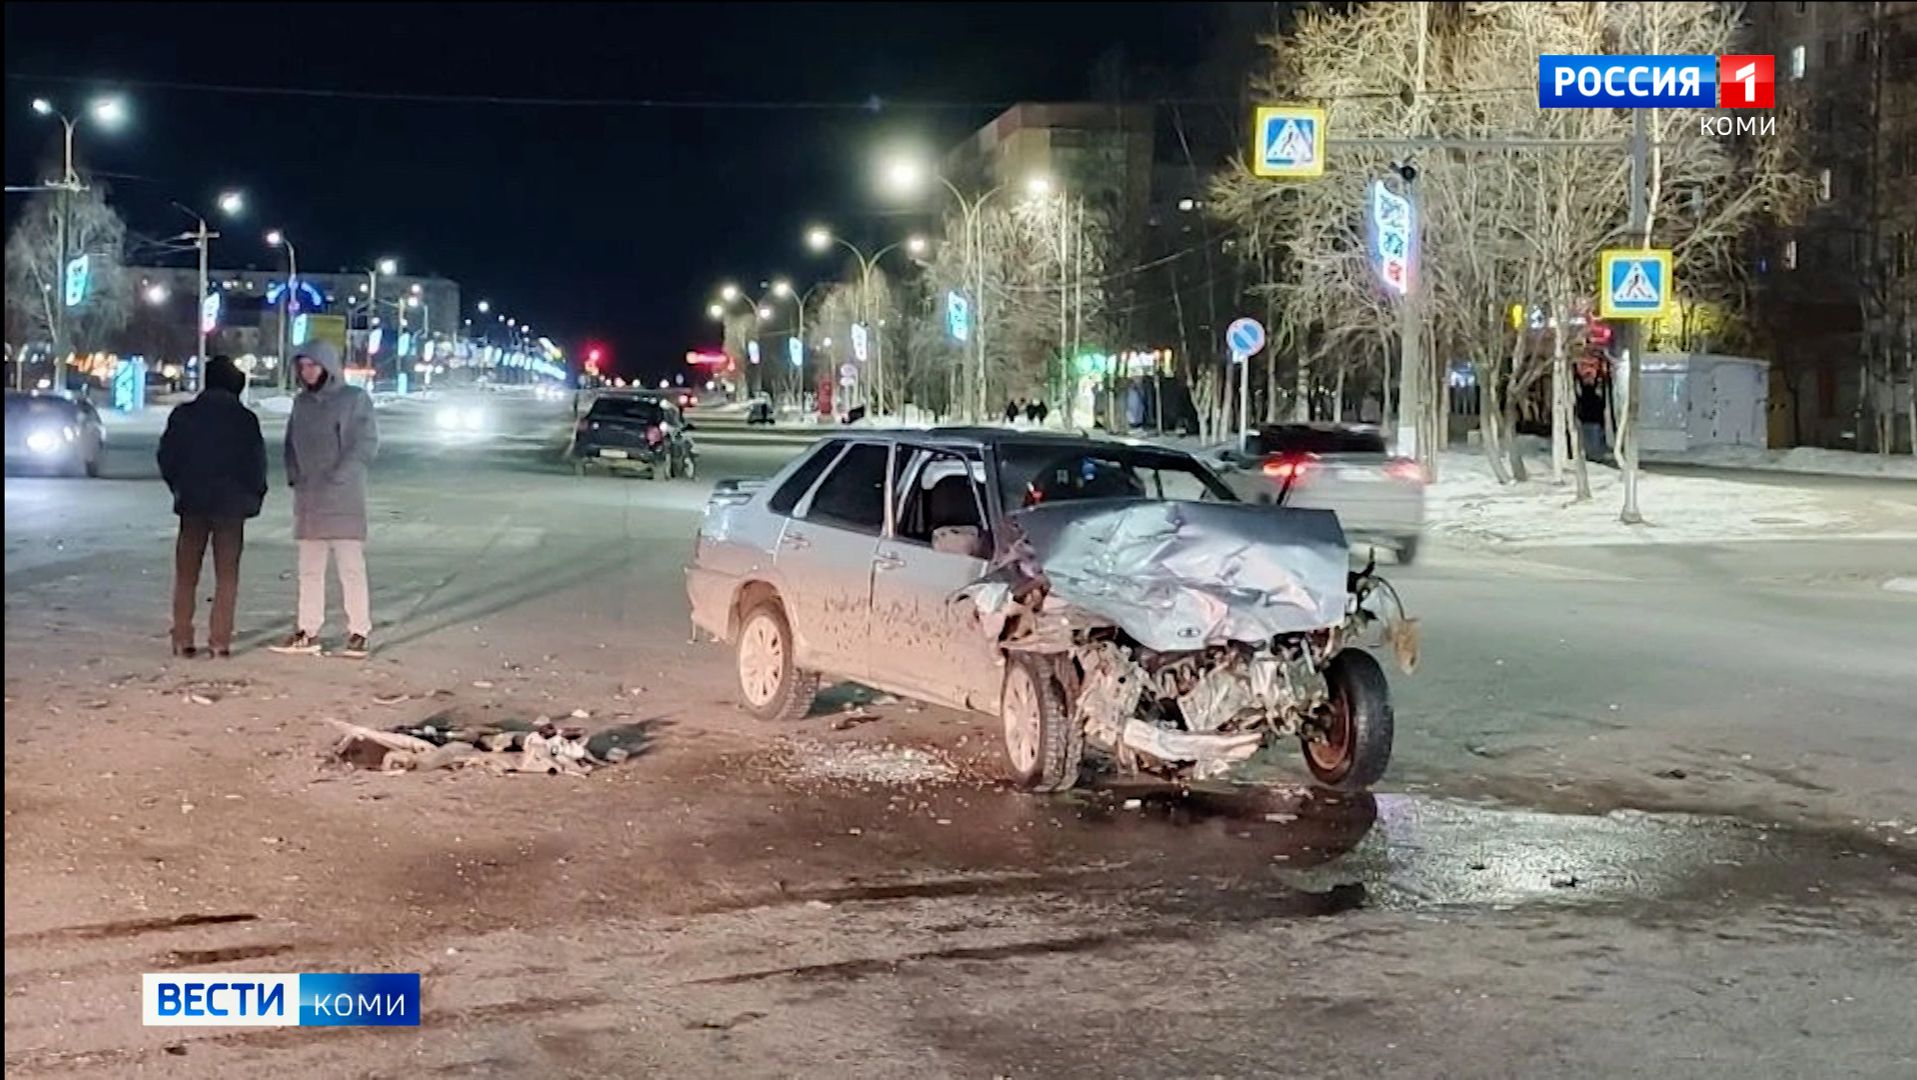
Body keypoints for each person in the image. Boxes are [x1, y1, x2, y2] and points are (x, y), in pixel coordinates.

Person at [272, 341, 380, 658]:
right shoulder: (302, 403)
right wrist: (295, 475)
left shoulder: (354, 400)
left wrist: (339, 475)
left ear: (328, 366)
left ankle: (359, 630)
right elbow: (291, 443)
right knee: (309, 570)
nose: (307, 372)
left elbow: (364, 444)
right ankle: (308, 629)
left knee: (351, 569)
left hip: (343, 499)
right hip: (309, 499)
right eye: (302, 366)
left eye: (313, 365)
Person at [156, 355, 266, 658]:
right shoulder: (244, 419)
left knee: (186, 574)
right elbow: (255, 464)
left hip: (192, 503)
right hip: (231, 508)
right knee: (227, 575)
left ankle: (182, 637)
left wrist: (179, 486)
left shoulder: (184, 415)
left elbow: (167, 456)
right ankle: (220, 641)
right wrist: (253, 496)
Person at [1575, 365, 1609, 462]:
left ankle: (1592, 456)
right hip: (1589, 420)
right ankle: (1592, 456)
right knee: (1590, 439)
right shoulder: (1587, 395)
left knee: (1591, 439)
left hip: (1592, 420)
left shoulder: (1589, 395)